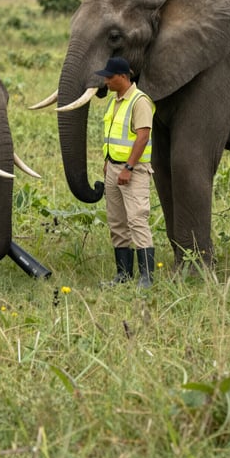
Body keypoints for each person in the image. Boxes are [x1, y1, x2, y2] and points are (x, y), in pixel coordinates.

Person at [95, 56, 156, 288]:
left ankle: (146, 277)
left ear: (122, 76)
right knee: (117, 222)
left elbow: (143, 136)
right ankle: (123, 274)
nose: (106, 82)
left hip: (133, 170)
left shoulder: (140, 101)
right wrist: (108, 162)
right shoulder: (115, 101)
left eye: (109, 77)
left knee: (137, 219)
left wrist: (129, 167)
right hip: (113, 168)